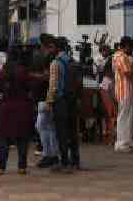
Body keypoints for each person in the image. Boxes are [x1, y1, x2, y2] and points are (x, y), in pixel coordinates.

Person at [0, 46, 35, 174]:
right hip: (23, 107)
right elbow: (30, 87)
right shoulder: (23, 71)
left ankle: (1, 167)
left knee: (4, 139)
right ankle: (22, 167)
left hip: (6, 108)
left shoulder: (3, 72)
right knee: (22, 139)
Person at [46, 37, 81, 171]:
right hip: (72, 99)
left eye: (51, 47)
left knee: (61, 132)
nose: (50, 50)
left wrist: (49, 101)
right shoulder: (73, 61)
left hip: (60, 101)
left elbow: (53, 84)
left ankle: (64, 162)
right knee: (72, 131)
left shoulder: (55, 63)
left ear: (56, 48)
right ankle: (75, 160)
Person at [35, 35, 60, 168]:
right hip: (47, 97)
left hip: (46, 97)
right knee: (49, 126)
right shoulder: (52, 58)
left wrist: (33, 76)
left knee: (41, 125)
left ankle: (49, 154)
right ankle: (52, 154)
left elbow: (48, 77)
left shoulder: (49, 58)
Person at [113, 36, 133, 152]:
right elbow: (128, 73)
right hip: (123, 90)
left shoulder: (121, 56)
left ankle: (127, 141)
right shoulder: (120, 56)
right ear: (126, 46)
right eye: (130, 47)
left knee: (127, 116)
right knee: (123, 116)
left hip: (126, 89)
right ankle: (121, 143)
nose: (131, 49)